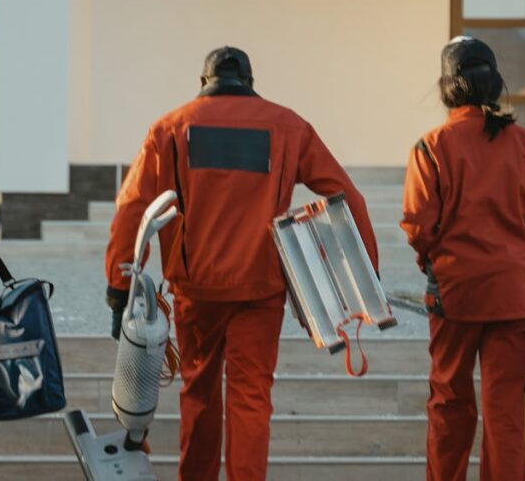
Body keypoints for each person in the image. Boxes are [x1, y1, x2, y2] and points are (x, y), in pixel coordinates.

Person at [104, 46, 379, 481]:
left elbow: (133, 208)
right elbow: (348, 197)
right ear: (250, 82)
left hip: (196, 292)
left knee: (199, 395)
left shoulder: (170, 127)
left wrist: (117, 286)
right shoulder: (288, 125)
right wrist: (367, 281)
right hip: (261, 290)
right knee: (251, 398)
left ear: (203, 83)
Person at [401, 36, 525, 481]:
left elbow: (418, 226)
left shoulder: (431, 147)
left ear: (447, 87)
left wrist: (433, 264)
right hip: (513, 297)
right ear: (494, 84)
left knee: (449, 407)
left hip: (455, 295)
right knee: (504, 413)